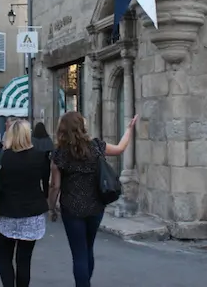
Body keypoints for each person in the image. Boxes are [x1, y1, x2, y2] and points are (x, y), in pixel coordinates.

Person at [49, 111, 136, 287]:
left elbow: (55, 186)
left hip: (71, 209)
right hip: (95, 206)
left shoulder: (59, 153)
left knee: (79, 253)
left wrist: (51, 207)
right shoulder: (96, 146)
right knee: (88, 248)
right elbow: (120, 148)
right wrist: (129, 129)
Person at [0, 119, 49, 287]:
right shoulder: (39, 157)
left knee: (4, 258)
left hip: (6, 211)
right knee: (24, 260)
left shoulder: (3, 156)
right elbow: (45, 183)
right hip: (31, 213)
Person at [31, 122, 55, 197]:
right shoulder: (48, 139)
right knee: (45, 182)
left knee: (35, 181)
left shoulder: (32, 140)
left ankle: (36, 196)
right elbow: (53, 152)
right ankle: (46, 196)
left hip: (34, 163)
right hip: (45, 163)